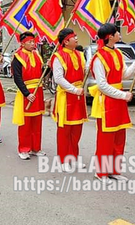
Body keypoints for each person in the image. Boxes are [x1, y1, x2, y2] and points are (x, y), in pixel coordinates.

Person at [90, 23, 135, 182]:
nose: (119, 33)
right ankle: (101, 171)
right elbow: (102, 85)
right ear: (110, 37)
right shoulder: (98, 57)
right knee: (105, 139)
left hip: (118, 101)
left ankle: (114, 170)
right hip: (106, 102)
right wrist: (122, 95)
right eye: (116, 32)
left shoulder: (118, 53)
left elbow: (123, 75)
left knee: (120, 136)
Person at [51, 28, 88, 172]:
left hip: (78, 96)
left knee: (77, 129)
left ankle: (73, 157)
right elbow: (59, 78)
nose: (77, 39)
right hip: (66, 97)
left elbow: (84, 71)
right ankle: (63, 159)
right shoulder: (58, 57)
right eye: (74, 37)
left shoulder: (80, 54)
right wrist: (73, 90)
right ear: (66, 41)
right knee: (64, 130)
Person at [12, 31, 46, 160]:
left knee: (37, 122)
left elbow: (41, 72)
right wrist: (26, 93)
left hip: (38, 91)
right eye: (30, 42)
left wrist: (47, 68)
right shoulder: (18, 57)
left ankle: (36, 148)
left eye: (33, 41)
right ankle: (24, 149)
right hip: (26, 92)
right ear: (22, 43)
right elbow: (17, 78)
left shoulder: (37, 55)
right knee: (25, 124)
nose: (33, 44)